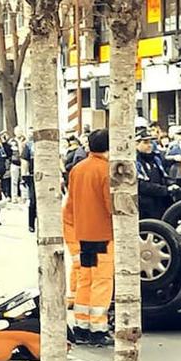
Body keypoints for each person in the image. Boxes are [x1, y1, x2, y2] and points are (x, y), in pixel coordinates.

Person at [63, 129, 114, 346]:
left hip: (83, 234)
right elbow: (110, 205)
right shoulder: (107, 171)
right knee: (102, 281)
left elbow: (71, 202)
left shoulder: (78, 169)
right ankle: (98, 328)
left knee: (86, 279)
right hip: (103, 233)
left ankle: (81, 325)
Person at [136, 129, 180, 219]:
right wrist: (165, 190)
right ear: (136, 144)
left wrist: (173, 185)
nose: (149, 145)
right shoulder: (135, 162)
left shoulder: (156, 159)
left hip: (160, 204)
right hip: (144, 207)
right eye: (145, 143)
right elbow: (141, 185)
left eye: (150, 142)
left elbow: (163, 177)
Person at [20, 131, 36, 233]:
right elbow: (25, 161)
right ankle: (31, 224)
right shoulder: (29, 145)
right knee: (33, 201)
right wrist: (24, 174)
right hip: (33, 175)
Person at [8, 126, 26, 203]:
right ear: (15, 132)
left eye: (20, 131)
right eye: (17, 131)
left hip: (24, 163)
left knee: (23, 181)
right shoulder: (11, 141)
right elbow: (8, 152)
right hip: (14, 163)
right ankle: (14, 197)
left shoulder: (26, 140)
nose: (19, 133)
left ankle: (24, 197)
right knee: (14, 181)